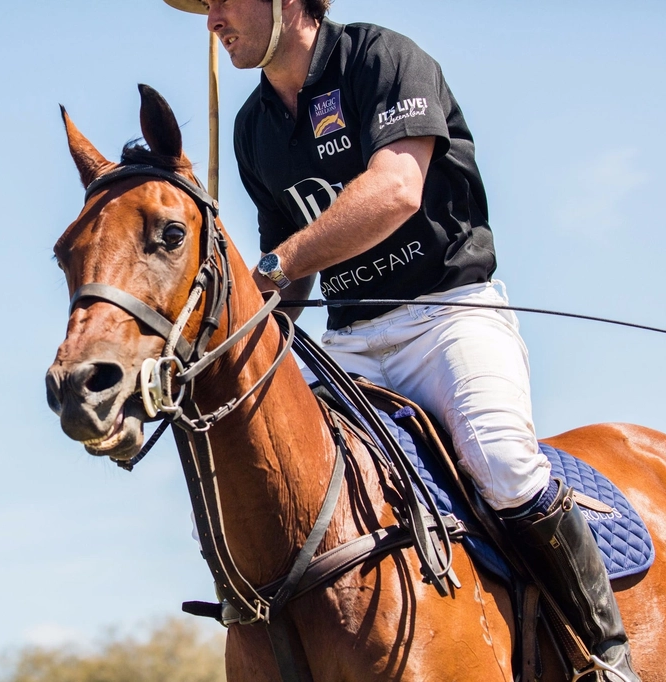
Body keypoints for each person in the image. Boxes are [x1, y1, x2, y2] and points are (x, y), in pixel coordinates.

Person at [163, 0, 640, 680]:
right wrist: (241, 354)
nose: (211, 18)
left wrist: (273, 267)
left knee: (500, 460)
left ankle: (607, 657)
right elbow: (288, 279)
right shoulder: (252, 127)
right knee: (262, 489)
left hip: (449, 315)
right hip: (349, 340)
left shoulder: (381, 59)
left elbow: (395, 191)